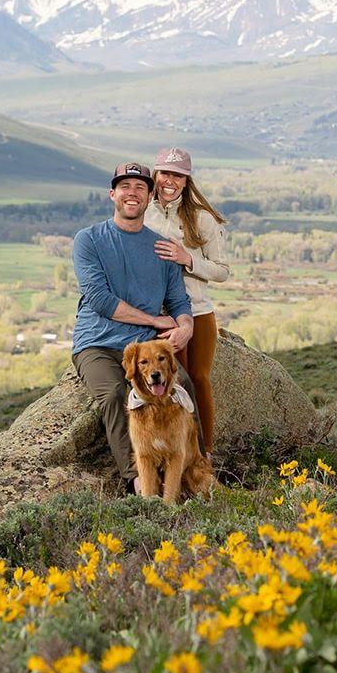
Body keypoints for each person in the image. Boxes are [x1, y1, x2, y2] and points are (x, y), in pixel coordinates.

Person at [71, 161, 197, 492]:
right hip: (96, 344)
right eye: (125, 187)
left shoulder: (160, 247)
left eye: (140, 187)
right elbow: (100, 299)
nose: (132, 193)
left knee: (183, 389)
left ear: (150, 196)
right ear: (113, 194)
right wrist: (155, 320)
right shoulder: (89, 240)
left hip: (145, 348)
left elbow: (179, 301)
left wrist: (185, 326)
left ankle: (189, 470)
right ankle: (138, 481)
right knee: (115, 396)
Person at [144, 146, 229, 457]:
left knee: (199, 378)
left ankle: (205, 452)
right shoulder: (143, 212)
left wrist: (188, 259)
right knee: (165, 384)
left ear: (186, 180)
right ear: (156, 174)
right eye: (166, 173)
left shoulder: (202, 219)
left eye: (178, 176)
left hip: (198, 311)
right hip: (158, 314)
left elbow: (222, 271)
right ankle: (167, 450)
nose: (171, 181)